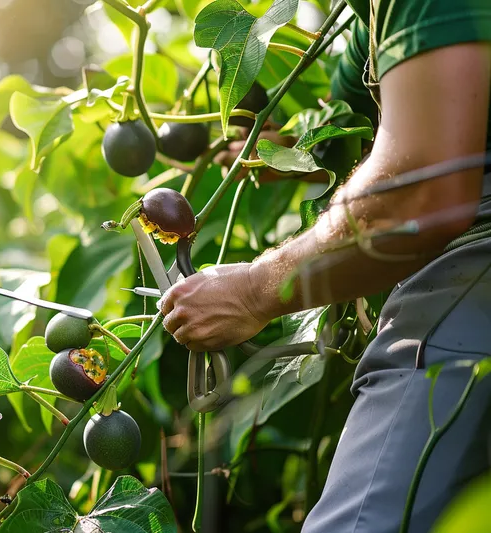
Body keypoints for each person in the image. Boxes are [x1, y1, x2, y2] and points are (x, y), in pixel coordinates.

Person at [159, 1, 491, 531]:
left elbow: (420, 190)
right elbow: (346, 127)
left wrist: (254, 291)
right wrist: (284, 154)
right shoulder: (371, 23)